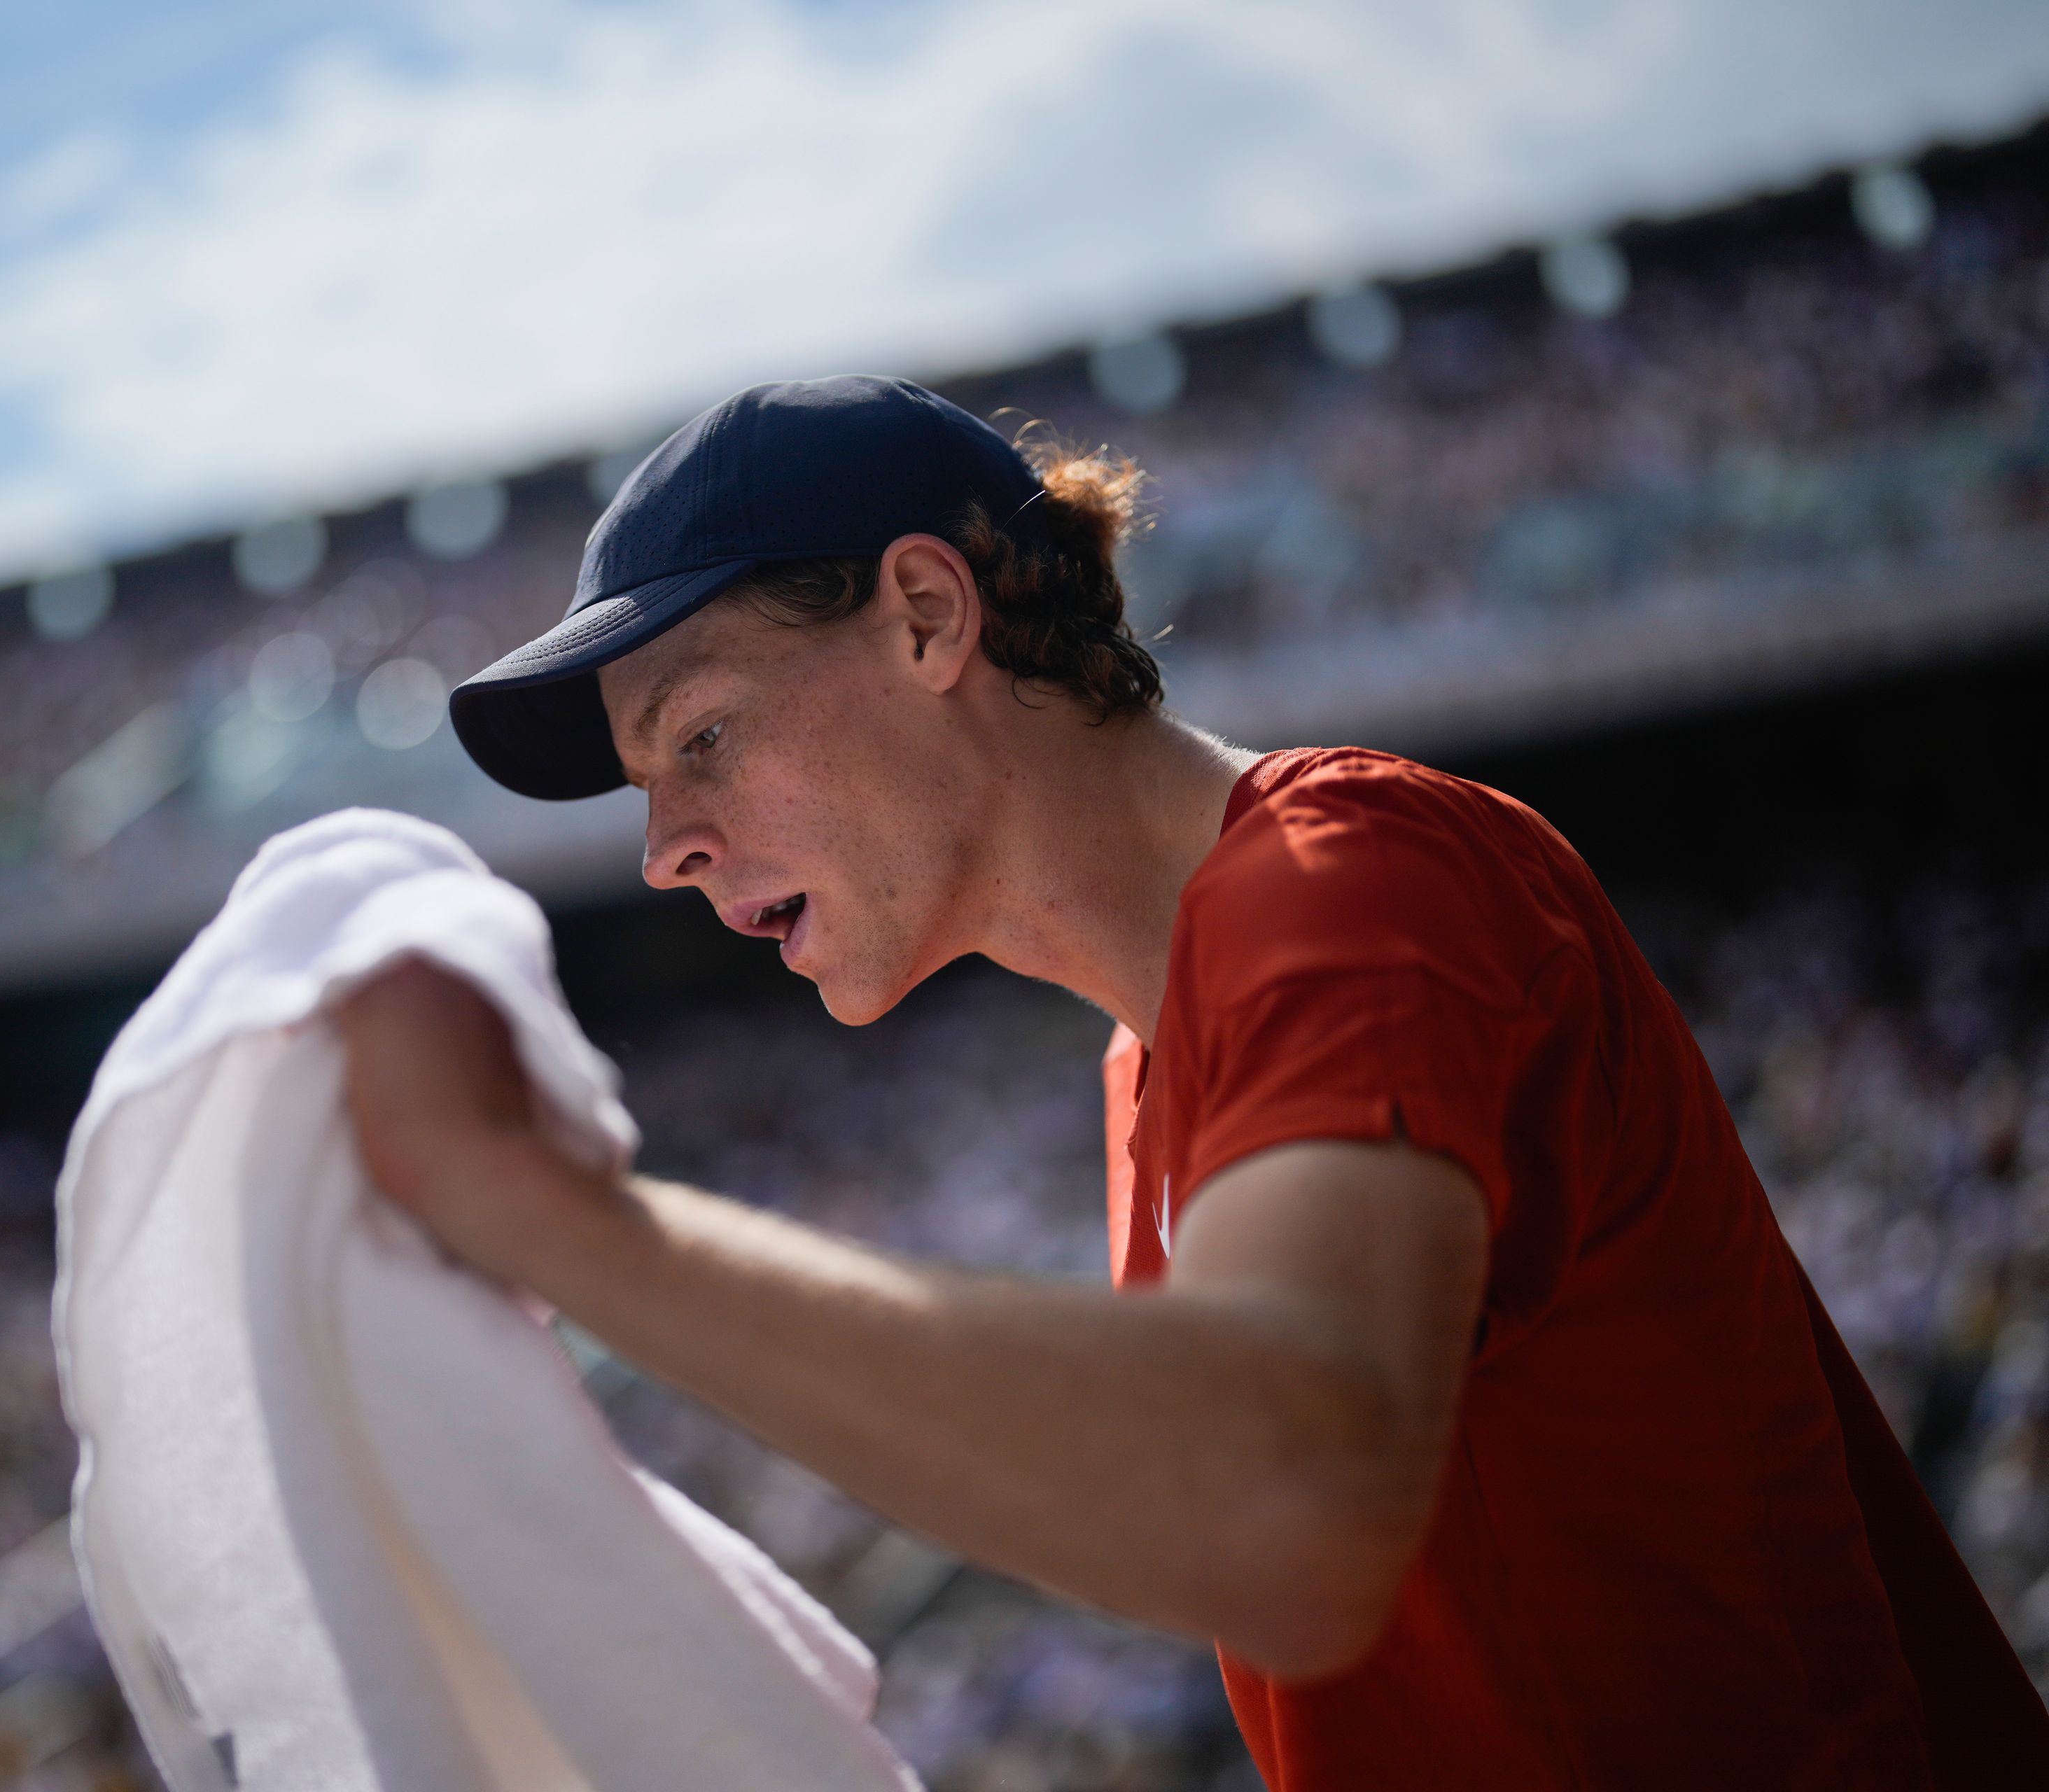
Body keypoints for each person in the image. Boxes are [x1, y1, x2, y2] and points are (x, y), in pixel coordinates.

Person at [335, 375, 2049, 1787]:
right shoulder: (1152, 1050)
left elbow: (1275, 1509)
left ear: (929, 613)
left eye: (699, 735)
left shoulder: (1356, 876)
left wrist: (553, 1214)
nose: (663, 850)